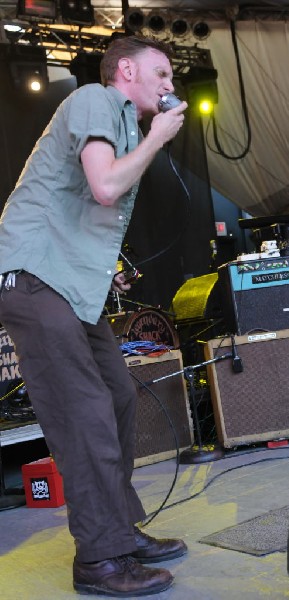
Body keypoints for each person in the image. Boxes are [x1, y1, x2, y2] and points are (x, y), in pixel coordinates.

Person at [0, 35, 188, 597]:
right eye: (161, 72)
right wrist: (157, 138)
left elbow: (82, 201)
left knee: (117, 396)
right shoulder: (94, 99)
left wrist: (105, 269)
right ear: (125, 69)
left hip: (70, 283)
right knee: (83, 413)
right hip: (34, 277)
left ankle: (119, 530)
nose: (170, 85)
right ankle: (100, 560)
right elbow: (105, 186)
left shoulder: (124, 123)